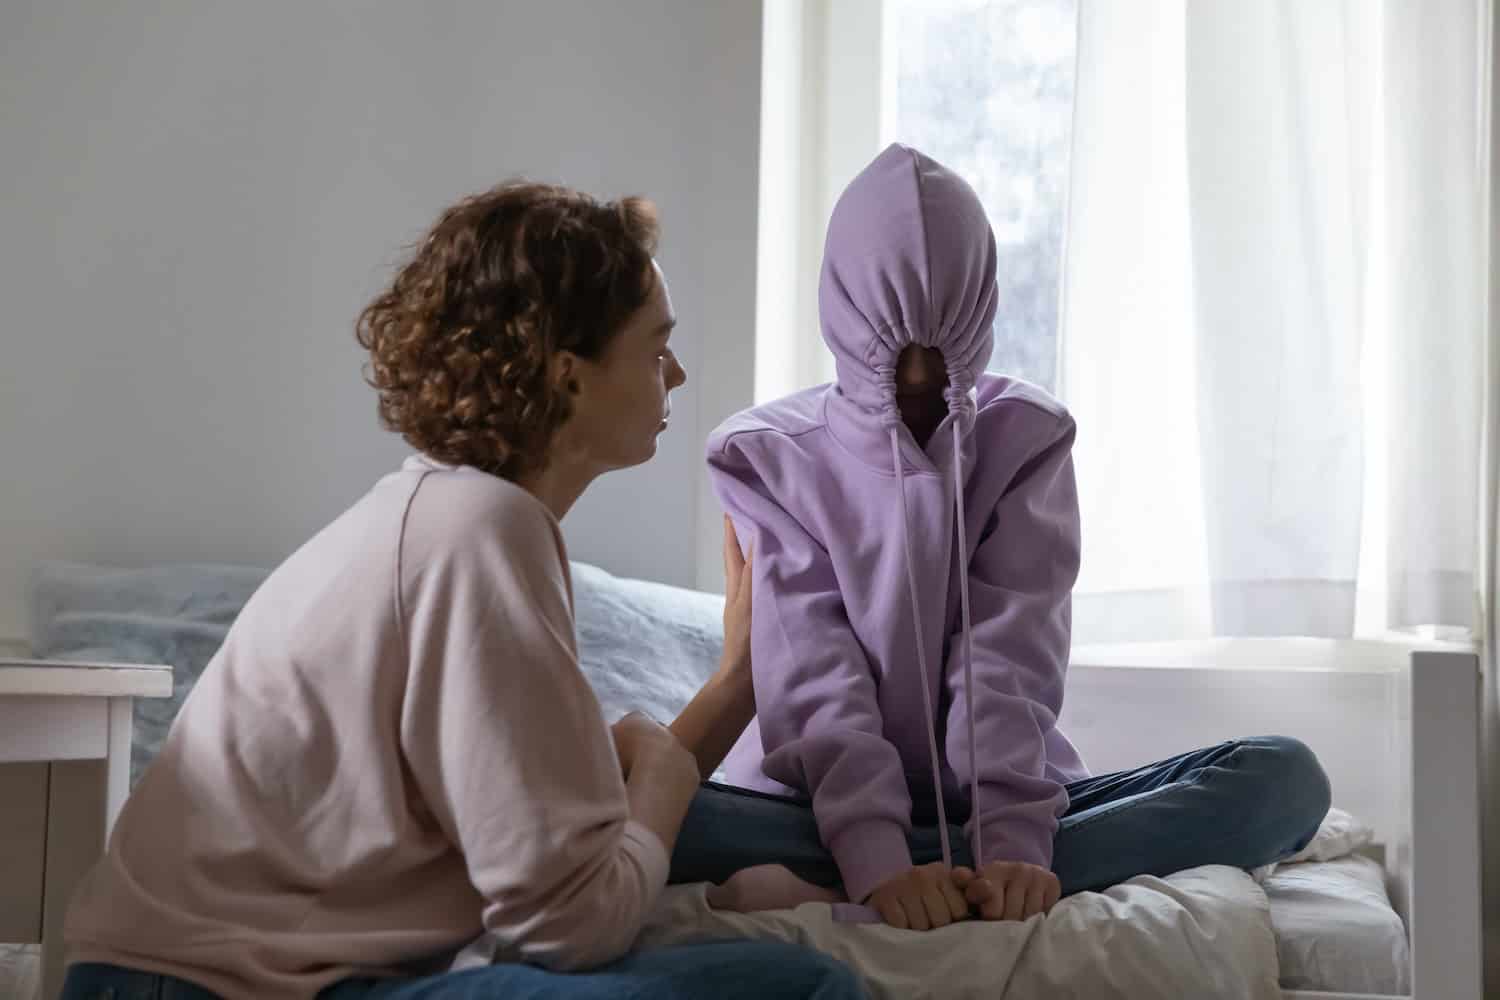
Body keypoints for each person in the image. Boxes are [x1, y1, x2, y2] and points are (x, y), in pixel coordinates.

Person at [60, 182, 866, 999]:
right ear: (569, 377)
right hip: (197, 986)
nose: (680, 372)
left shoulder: (451, 515)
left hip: (170, 976)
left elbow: (558, 840)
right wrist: (657, 782)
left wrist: (730, 685)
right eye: (657, 348)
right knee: (798, 989)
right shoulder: (479, 534)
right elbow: (568, 924)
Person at [673, 143, 1332, 932]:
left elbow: (1007, 661)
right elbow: (818, 680)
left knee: (1286, 779)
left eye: (940, 351)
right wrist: (877, 859)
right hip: (809, 807)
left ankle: (923, 885)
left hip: (1000, 807)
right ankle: (882, 880)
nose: (918, 376)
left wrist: (1015, 843)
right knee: (637, 823)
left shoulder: (1029, 438)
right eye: (898, 350)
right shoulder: (764, 457)